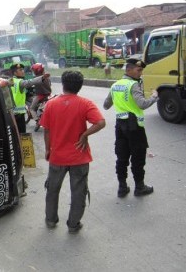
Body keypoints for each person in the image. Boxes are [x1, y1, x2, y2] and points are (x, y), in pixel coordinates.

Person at [40, 70, 106, 233]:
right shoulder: (85, 103)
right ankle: (73, 223)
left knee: (52, 189)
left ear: (63, 84)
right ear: (80, 86)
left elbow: (46, 130)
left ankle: (50, 220)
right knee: (79, 192)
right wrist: (84, 134)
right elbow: (101, 122)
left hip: (57, 156)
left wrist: (48, 149)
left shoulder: (51, 104)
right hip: (79, 156)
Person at [103, 58, 158, 197]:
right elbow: (142, 104)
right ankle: (139, 188)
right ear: (129, 70)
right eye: (138, 70)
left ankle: (122, 188)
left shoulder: (115, 85)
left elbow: (106, 105)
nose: (141, 73)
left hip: (120, 126)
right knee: (138, 158)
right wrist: (154, 97)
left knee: (122, 157)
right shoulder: (133, 85)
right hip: (135, 127)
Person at [8, 63, 50, 134]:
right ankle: (38, 121)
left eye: (23, 69)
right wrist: (42, 77)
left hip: (12, 112)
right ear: (15, 72)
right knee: (22, 134)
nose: (23, 71)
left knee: (15, 134)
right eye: (20, 70)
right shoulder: (20, 82)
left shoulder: (10, 80)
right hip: (19, 114)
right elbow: (30, 82)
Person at [28, 63, 52, 130]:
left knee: (32, 108)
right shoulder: (47, 77)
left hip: (40, 96)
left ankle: (37, 121)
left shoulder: (37, 79)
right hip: (48, 95)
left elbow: (31, 84)